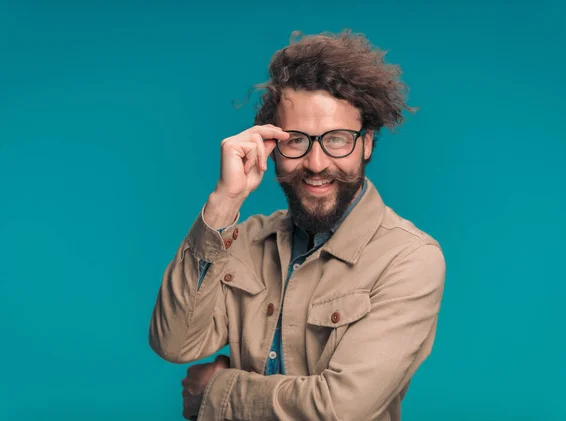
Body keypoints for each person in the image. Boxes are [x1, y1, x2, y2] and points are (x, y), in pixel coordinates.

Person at [148, 29, 446, 421]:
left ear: (367, 142)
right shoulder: (244, 238)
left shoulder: (409, 258)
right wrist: (223, 203)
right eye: (296, 141)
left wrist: (215, 393)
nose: (317, 163)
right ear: (271, 145)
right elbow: (174, 343)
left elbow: (339, 409)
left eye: (337, 139)